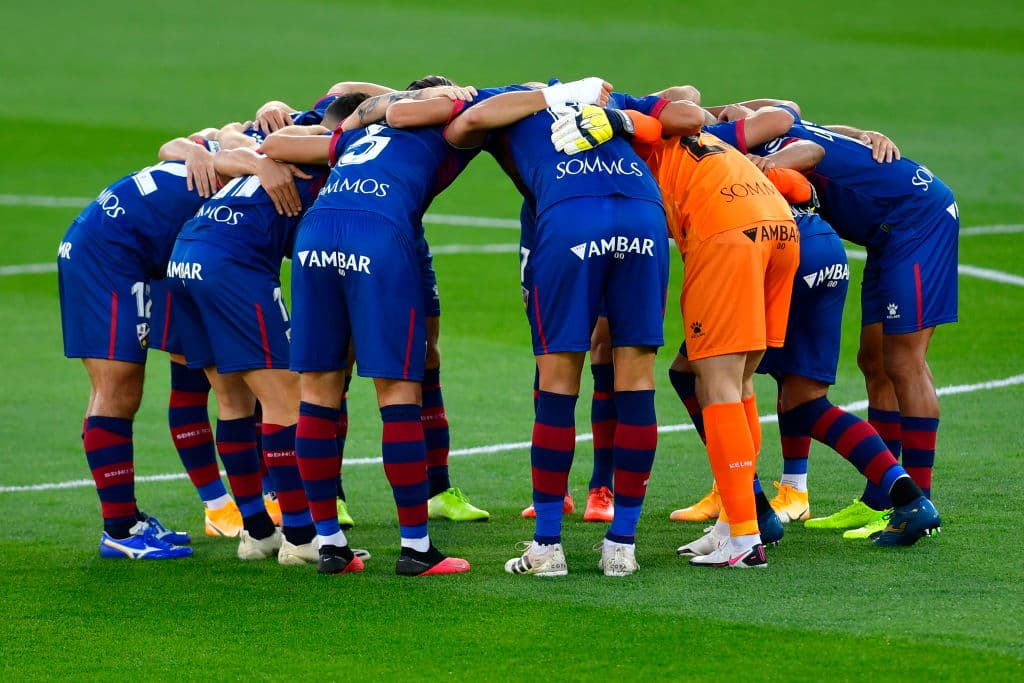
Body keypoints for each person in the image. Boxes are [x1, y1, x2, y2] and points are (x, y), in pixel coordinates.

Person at [387, 77, 681, 576]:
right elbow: (687, 106)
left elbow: (459, 124)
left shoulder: (499, 101)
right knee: (636, 379)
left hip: (570, 219)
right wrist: (622, 118)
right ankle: (622, 547)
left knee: (557, 383)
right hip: (645, 216)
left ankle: (547, 546)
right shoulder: (605, 98)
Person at [552, 100, 800, 568]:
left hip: (726, 235)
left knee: (718, 384)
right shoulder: (694, 142)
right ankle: (733, 519)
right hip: (778, 226)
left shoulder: (636, 134)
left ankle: (745, 540)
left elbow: (655, 119)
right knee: (742, 381)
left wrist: (615, 121)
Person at [261, 80, 482, 576]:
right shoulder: (454, 127)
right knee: (399, 393)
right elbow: (489, 106)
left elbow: (277, 142)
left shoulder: (360, 136)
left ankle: (330, 545)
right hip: (377, 236)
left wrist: (378, 105)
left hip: (314, 237)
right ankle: (416, 549)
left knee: (316, 392)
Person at [707, 101, 948, 545]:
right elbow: (814, 130)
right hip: (887, 234)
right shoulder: (780, 125)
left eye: (734, 118)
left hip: (917, 222)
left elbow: (811, 150)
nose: (728, 120)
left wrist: (762, 163)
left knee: (905, 362)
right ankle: (881, 499)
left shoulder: (777, 140)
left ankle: (916, 503)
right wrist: (862, 131)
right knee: (874, 362)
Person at [56, 128, 285, 559]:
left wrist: (206, 152)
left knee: (192, 379)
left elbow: (202, 142)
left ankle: (133, 519)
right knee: (117, 389)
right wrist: (258, 164)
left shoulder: (228, 151)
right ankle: (120, 530)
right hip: (109, 252)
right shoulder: (248, 166)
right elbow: (216, 148)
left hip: (150, 255)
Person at [167, 96, 369, 565]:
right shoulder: (332, 152)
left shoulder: (276, 140)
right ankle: (300, 538)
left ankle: (258, 533)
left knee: (234, 401)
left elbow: (226, 138)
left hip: (187, 255)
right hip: (233, 266)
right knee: (288, 400)